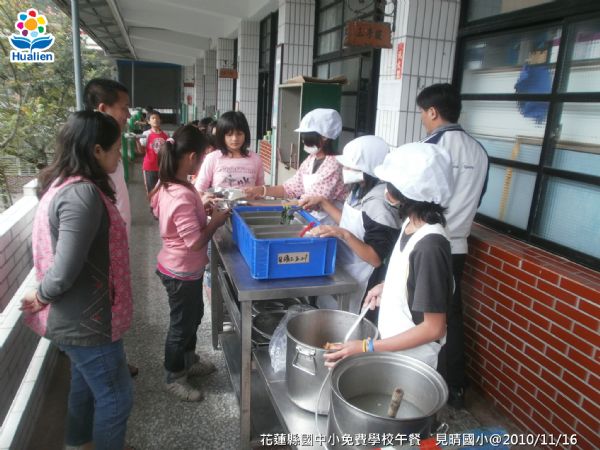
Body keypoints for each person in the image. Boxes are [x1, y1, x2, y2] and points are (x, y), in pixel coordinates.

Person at [20, 111, 134, 450]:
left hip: (82, 316)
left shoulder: (64, 184)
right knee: (117, 398)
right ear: (96, 150)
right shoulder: (81, 195)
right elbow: (65, 266)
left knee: (84, 386)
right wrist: (42, 295)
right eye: (116, 149)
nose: (119, 156)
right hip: (88, 320)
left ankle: (79, 443)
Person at [323, 142, 454, 370]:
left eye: (390, 184)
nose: (386, 189)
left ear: (409, 192)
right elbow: (411, 276)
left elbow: (434, 328)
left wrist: (367, 346)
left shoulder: (430, 246)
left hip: (413, 362)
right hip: (395, 352)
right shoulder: (411, 224)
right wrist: (387, 287)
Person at [417, 83, 489, 409]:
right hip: (458, 246)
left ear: (433, 112)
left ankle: (421, 382)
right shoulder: (479, 151)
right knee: (452, 315)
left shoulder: (429, 147)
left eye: (422, 112)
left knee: (421, 314)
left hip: (428, 243)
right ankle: (456, 387)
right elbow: (478, 198)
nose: (423, 118)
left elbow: (415, 196)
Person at [149, 125, 230, 401]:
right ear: (193, 156)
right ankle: (174, 376)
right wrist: (214, 221)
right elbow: (194, 242)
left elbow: (173, 219)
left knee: (193, 316)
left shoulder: (170, 184)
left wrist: (200, 211)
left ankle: (188, 360)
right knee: (181, 325)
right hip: (180, 271)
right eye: (203, 157)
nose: (203, 162)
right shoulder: (181, 193)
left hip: (184, 270)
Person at [299, 136, 401, 314]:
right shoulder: (359, 189)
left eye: (349, 166)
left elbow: (375, 258)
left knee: (346, 321)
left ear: (367, 168)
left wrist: (343, 234)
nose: (344, 169)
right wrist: (322, 202)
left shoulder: (379, 203)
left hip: (362, 277)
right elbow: (349, 222)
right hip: (344, 268)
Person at [84, 78, 138, 378]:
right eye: (124, 108)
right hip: (102, 253)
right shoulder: (93, 155)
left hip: (116, 246)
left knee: (114, 308)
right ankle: (108, 365)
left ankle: (114, 357)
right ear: (103, 108)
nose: (128, 115)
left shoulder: (108, 144)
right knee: (103, 309)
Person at [244, 108, 346, 224]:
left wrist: (263, 205)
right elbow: (290, 188)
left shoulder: (334, 164)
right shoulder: (311, 160)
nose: (303, 140)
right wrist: (261, 190)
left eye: (307, 136)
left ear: (324, 137)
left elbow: (309, 203)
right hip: (311, 218)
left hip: (329, 222)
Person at [194, 110, 264, 193]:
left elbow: (261, 191)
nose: (234, 139)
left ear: (245, 134)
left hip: (248, 202)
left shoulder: (256, 159)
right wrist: (205, 198)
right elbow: (199, 189)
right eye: (229, 135)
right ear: (221, 136)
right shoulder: (212, 158)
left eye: (239, 134)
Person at [138, 110, 169, 194]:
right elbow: (141, 151)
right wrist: (137, 141)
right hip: (149, 168)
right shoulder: (146, 134)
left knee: (163, 192)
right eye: (153, 118)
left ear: (160, 120)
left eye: (157, 118)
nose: (155, 120)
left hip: (163, 168)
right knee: (151, 192)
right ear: (148, 121)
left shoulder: (166, 135)